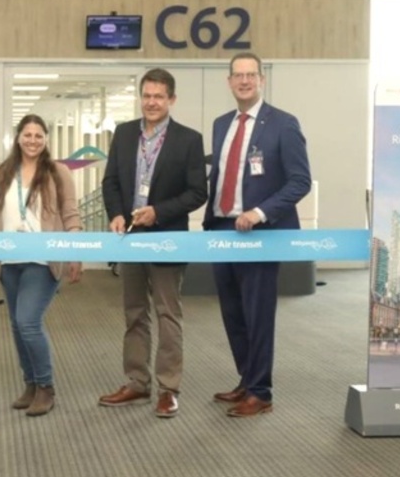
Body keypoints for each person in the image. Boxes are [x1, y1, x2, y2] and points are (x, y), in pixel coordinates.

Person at [204, 52, 311, 418]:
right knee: (233, 313)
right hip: (221, 230)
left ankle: (261, 391)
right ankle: (246, 379)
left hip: (261, 234)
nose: (244, 81)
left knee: (258, 313)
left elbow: (300, 181)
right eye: (238, 75)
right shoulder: (221, 125)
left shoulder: (283, 124)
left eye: (251, 75)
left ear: (261, 80)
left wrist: (260, 211)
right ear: (229, 81)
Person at [98, 67, 207, 418]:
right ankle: (136, 382)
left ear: (171, 100)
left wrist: (157, 212)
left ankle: (168, 388)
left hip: (166, 239)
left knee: (167, 314)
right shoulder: (125, 133)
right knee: (134, 313)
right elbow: (111, 180)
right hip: (129, 239)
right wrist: (116, 213)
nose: (152, 102)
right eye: (147, 96)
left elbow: (197, 193)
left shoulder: (188, 140)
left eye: (159, 96)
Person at [0, 115, 83, 417]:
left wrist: (75, 254)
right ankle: (30, 384)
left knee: (28, 321)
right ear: (18, 138)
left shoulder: (58, 172)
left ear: (46, 139)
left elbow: (71, 214)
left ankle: (46, 387)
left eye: (39, 135)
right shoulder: (3, 172)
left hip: (43, 258)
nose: (33, 140)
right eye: (28, 134)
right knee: (16, 325)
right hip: (9, 259)